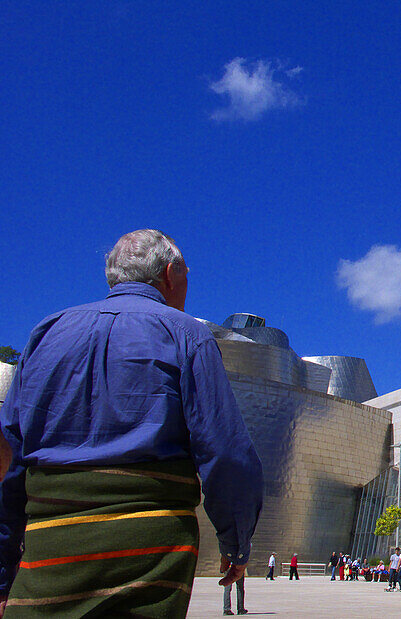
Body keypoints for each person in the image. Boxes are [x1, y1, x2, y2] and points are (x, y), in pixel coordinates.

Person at [0, 230, 263, 617]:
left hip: (50, 546)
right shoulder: (185, 332)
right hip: (149, 549)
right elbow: (225, 451)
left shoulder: (47, 331)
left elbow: (10, 459)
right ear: (172, 274)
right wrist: (235, 543)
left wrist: (4, 575)